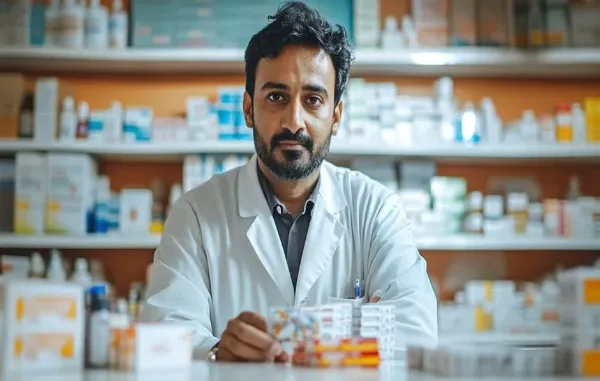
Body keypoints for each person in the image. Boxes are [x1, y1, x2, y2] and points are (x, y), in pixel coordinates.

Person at [142, 1, 438, 363]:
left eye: (313, 100)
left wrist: (329, 344)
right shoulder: (196, 214)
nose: (294, 122)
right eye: (276, 97)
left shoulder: (375, 209)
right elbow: (165, 335)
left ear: (336, 116)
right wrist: (217, 352)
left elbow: (418, 333)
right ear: (249, 109)